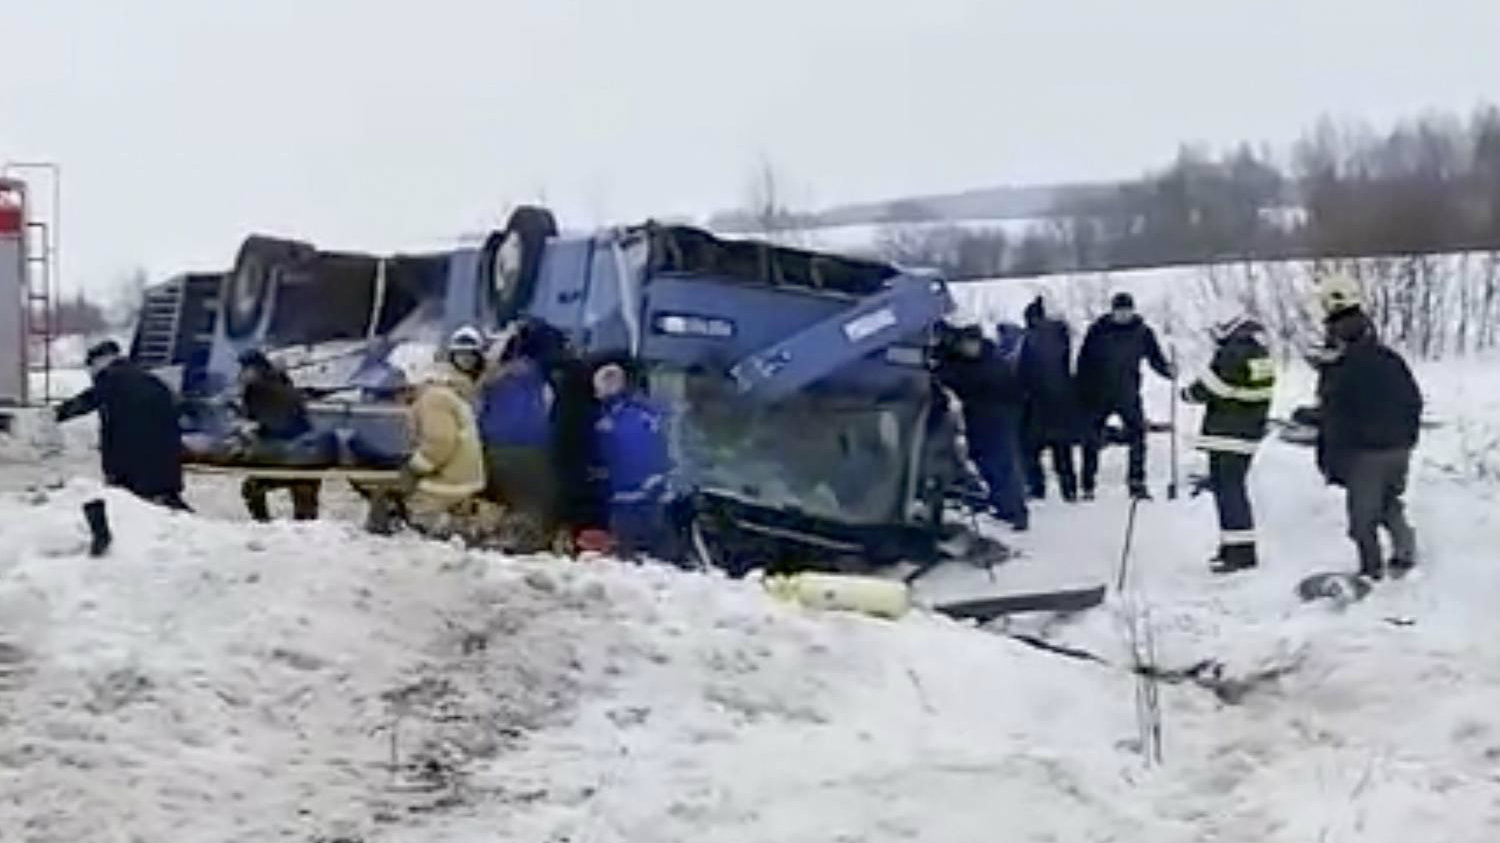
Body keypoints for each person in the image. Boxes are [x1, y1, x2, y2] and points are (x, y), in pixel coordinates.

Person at [1318, 299, 1422, 580]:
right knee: (1388, 500)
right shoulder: (1390, 358)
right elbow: (1414, 400)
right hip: (1399, 447)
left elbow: (1334, 417)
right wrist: (1408, 436)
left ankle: (1370, 570)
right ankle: (1405, 551)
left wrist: (1330, 459)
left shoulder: (1342, 369)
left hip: (1366, 452)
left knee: (1362, 519)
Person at [1180, 315, 1276, 573]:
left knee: (1228, 493)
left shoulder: (1232, 353)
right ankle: (1234, 548)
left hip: (1227, 433)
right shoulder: (1260, 353)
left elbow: (1212, 387)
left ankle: (1239, 555)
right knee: (1233, 490)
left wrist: (1187, 393)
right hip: (1248, 433)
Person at [371, 328, 489, 538]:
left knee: (388, 494)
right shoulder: (450, 392)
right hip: (466, 477)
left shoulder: (433, 398)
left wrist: (414, 469)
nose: (398, 393)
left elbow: (440, 443)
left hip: (450, 484)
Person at [55, 340, 189, 511]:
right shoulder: (148, 379)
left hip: (136, 467)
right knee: (167, 508)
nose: (91, 373)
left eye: (91, 366)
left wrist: (52, 415)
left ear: (100, 361)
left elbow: (87, 401)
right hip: (167, 463)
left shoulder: (112, 379)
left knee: (134, 509)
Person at [1076, 292, 1175, 500]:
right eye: (1119, 311)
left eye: (1127, 311)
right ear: (1112, 311)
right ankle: (1087, 484)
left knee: (1138, 435)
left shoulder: (1142, 332)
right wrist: (1080, 390)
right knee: (1091, 439)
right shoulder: (1097, 331)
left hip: (1127, 392)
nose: (1123, 315)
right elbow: (1083, 362)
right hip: (1097, 393)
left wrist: (1167, 370)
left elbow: (1154, 358)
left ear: (1132, 310)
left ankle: (1136, 483)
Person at [935, 324, 1029, 530]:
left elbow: (967, 380)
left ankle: (1013, 512)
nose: (969, 348)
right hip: (981, 421)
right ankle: (1002, 507)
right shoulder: (982, 359)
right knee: (987, 464)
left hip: (996, 421)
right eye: (965, 344)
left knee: (1000, 466)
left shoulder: (990, 364)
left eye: (972, 343)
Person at [477, 321, 558, 552]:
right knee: (534, 501)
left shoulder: (495, 377)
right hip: (530, 446)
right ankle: (525, 541)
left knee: (506, 499)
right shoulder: (538, 374)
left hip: (492, 445)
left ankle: (501, 536)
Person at [593, 362, 681, 562]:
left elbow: (611, 460)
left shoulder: (609, 423)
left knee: (628, 559)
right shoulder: (651, 413)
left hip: (628, 500)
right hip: (658, 494)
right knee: (664, 558)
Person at [235, 349, 321, 522]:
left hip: (287, 455)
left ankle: (264, 522)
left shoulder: (259, 389)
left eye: (244, 369)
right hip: (307, 454)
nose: (241, 373)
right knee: (303, 492)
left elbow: (264, 421)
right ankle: (304, 522)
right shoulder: (282, 382)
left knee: (252, 487)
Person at [1018, 296, 1080, 502]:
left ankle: (1037, 488)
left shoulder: (1032, 339)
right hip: (1061, 400)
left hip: (1038, 403)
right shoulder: (1060, 334)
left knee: (1031, 449)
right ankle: (1069, 489)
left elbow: (1024, 371)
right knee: (1062, 450)